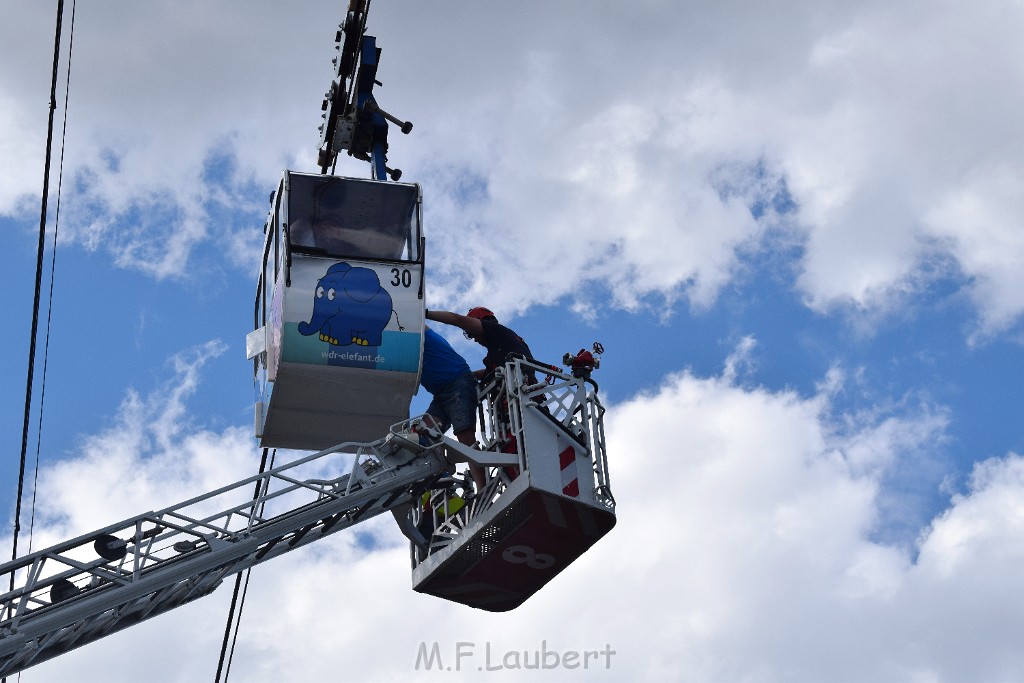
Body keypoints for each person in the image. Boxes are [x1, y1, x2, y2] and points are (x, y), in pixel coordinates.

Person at [420, 326, 485, 489]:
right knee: (426, 432)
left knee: (465, 437)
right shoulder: (412, 336)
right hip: (441, 391)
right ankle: (443, 472)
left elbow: (418, 319)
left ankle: (483, 488)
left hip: (458, 383)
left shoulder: (419, 330)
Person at [425, 307, 534, 379]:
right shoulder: (500, 349)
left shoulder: (497, 330)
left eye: (472, 334)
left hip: (521, 395)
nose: (475, 340)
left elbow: (457, 319)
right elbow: (489, 373)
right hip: (519, 399)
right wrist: (468, 376)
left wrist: (424, 313)